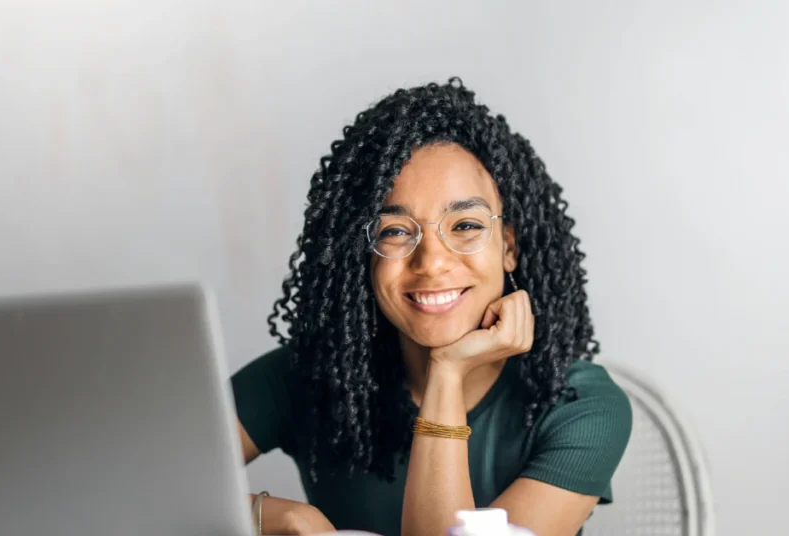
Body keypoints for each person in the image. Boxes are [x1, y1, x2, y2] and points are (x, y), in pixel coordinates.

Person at [231, 78, 632, 536]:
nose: (432, 262)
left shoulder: (581, 406)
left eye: (464, 224)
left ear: (509, 247)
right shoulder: (310, 375)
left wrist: (447, 372)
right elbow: (142, 481)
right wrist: (276, 516)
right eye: (395, 231)